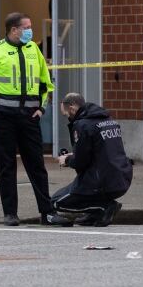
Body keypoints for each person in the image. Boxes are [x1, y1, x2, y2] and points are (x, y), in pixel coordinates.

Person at [0, 12, 73, 227]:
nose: (30, 30)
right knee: (6, 167)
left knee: (37, 166)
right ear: (13, 30)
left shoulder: (33, 49)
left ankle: (47, 213)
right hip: (3, 119)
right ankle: (10, 213)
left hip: (29, 118)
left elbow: (45, 82)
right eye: (26, 27)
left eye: (30, 26)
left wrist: (42, 109)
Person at [53, 92, 133, 227]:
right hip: (120, 178)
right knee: (76, 192)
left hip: (99, 182)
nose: (68, 118)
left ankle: (103, 208)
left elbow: (80, 161)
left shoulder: (82, 125)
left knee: (55, 202)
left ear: (72, 108)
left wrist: (66, 160)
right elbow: (100, 150)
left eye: (66, 115)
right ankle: (97, 215)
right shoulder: (108, 120)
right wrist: (75, 153)